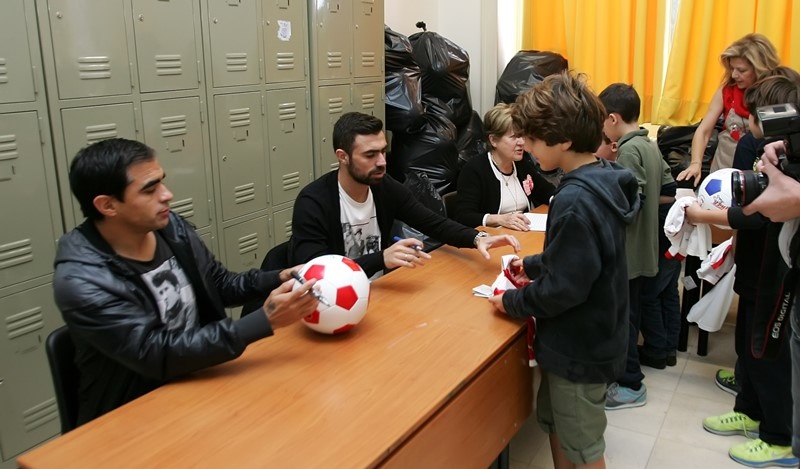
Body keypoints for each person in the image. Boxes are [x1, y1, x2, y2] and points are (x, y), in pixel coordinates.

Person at [53, 138, 319, 426]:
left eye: (162, 182)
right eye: (150, 190)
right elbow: (156, 353)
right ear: (107, 205)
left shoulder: (170, 228)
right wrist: (265, 320)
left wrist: (278, 277)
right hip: (135, 415)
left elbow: (218, 284)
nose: (167, 195)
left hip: (200, 382)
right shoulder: (82, 280)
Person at [489, 71, 640, 469]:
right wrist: (534, 264)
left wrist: (513, 301)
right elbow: (582, 257)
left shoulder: (575, 199)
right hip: (579, 342)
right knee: (556, 423)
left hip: (580, 349)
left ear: (564, 141)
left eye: (534, 139)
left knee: (583, 446)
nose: (527, 146)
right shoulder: (600, 178)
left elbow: (566, 289)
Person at [686, 74, 800, 467]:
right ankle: (749, 410)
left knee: (770, 352)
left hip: (777, 273)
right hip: (753, 266)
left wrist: (705, 215)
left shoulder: (787, 165)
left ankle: (779, 437)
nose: (743, 121)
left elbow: (758, 213)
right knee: (748, 347)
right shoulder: (764, 152)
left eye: (751, 116)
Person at [289, 112, 521, 277]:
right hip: (334, 305)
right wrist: (381, 258)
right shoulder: (314, 202)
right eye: (370, 155)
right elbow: (315, 272)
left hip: (380, 292)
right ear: (343, 156)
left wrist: (477, 238)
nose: (382, 162)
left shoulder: (383, 186)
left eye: (383, 151)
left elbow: (432, 222)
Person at [599, 83, 675, 408]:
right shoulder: (649, 144)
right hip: (646, 248)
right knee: (632, 314)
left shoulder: (628, 151)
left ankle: (631, 383)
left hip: (628, 253)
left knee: (624, 321)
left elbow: (630, 199)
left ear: (613, 118)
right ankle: (629, 374)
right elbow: (668, 189)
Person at [676, 33, 780, 186]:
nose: (734, 75)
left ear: (760, 69)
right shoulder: (726, 91)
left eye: (741, 70)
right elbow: (704, 131)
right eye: (732, 68)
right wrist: (695, 163)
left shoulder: (776, 94)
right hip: (723, 168)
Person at [455, 103, 555, 230]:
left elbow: (546, 191)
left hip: (523, 233)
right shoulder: (474, 170)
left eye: (522, 136)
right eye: (514, 137)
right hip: (492, 236)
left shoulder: (521, 164)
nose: (521, 142)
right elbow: (464, 216)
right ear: (493, 140)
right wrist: (500, 219)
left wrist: (563, 201)